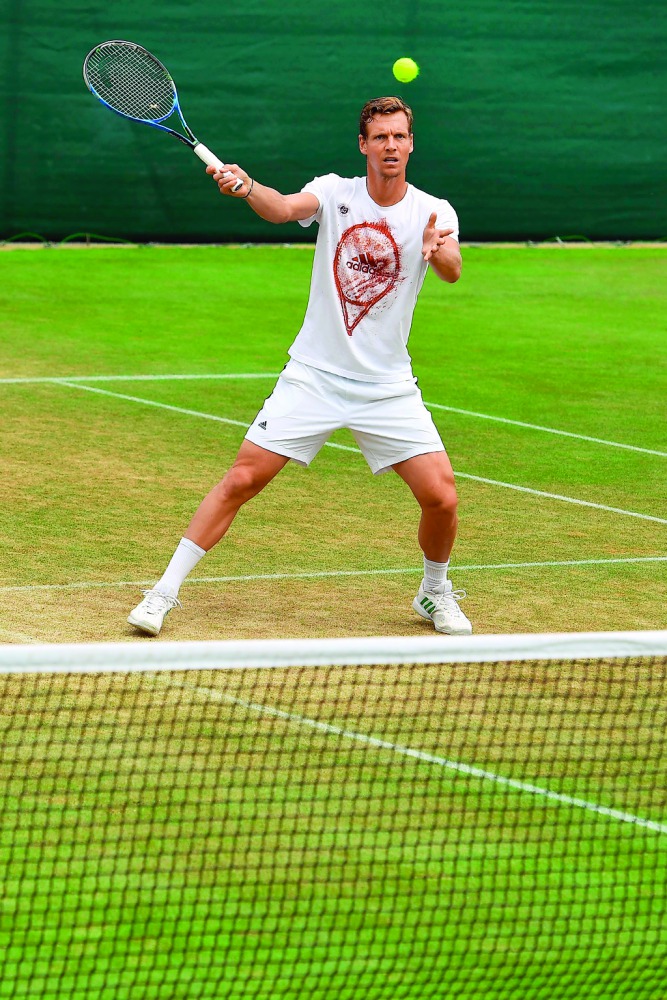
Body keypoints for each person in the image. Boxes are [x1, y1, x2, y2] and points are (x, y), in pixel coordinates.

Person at [128, 96, 472, 637]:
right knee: (242, 479)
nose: (390, 146)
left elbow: (452, 269)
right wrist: (247, 188)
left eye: (399, 137)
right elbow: (283, 207)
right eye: (380, 137)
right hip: (313, 375)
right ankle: (161, 594)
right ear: (363, 144)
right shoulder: (335, 192)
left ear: (411, 144)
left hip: (386, 386)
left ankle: (434, 592)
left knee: (442, 496)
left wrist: (434, 249)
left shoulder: (434, 211)